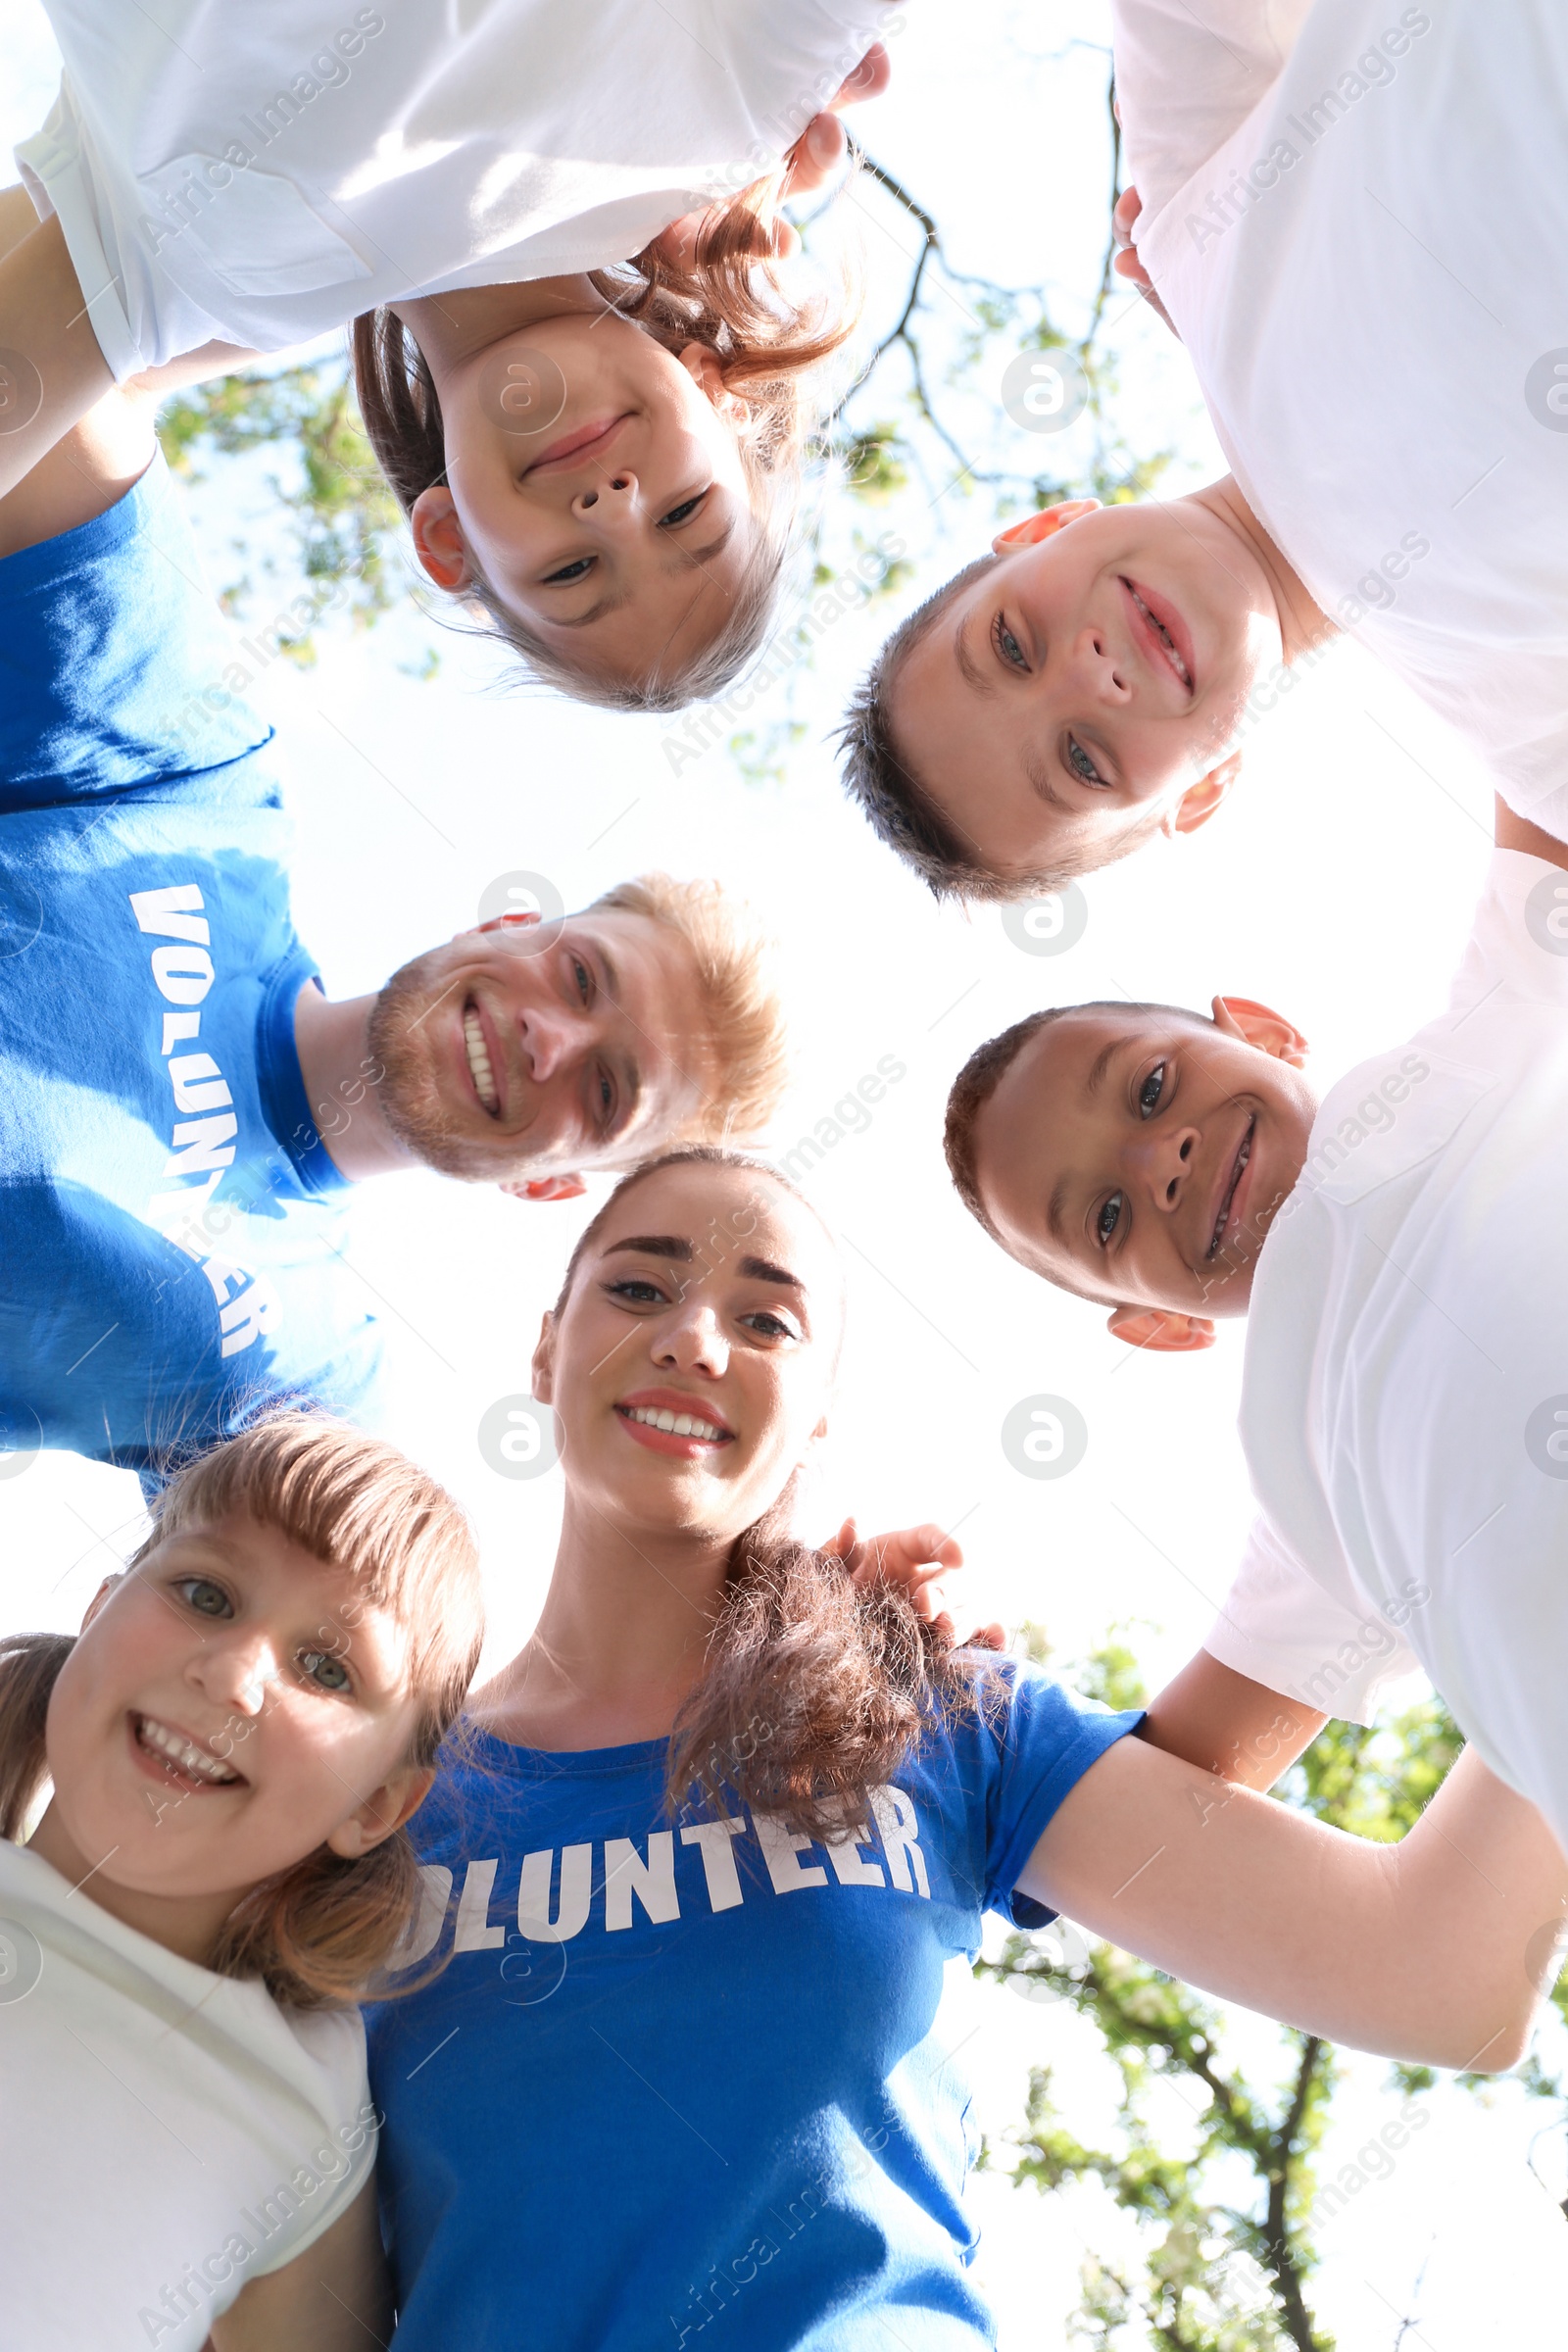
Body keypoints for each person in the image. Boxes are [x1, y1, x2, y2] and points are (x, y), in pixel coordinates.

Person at [366, 1147, 1564, 2351]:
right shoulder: (362, 1805)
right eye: (637, 1289)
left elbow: (1443, 1975)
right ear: (544, 1345)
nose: (694, 1340)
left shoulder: (931, 1720)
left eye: (767, 1319)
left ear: (818, 1416)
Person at [0, 373, 788, 1487]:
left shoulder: (305, 1378)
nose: (548, 1039)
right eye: (578, 975)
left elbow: (373, 1624)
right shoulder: (202, 795)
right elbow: (64, 408)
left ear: (553, 1187)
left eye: (605, 1091)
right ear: (513, 923)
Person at [941, 801, 1568, 1857]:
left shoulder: (1493, 1020)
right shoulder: (1304, 1480)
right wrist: (935, 1708)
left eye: (1149, 1088)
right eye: (1105, 1216)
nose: (1160, 1163)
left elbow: (1531, 729)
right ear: (1157, 1328)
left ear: (1265, 1030)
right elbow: (1153, 1799)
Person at [839, 0, 1568, 901]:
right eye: (1081, 760)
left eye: (1013, 646)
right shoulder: (1526, 724)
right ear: (1204, 792)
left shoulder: (1196, 215)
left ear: (1042, 528)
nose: (1089, 673)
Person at [1, 2, 899, 709]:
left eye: (573, 571)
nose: (616, 509)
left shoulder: (216, 284)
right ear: (715, 392)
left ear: (448, 544)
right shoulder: (715, 114)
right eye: (685, 514)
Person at [0, 1414, 486, 2352]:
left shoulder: (304, 2100)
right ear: (99, 1609)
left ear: (379, 1807)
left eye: (325, 1668)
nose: (231, 1676)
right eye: (205, 1594)